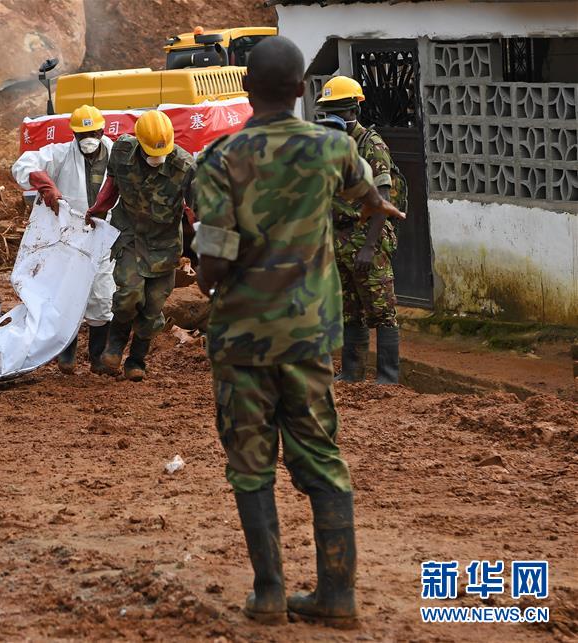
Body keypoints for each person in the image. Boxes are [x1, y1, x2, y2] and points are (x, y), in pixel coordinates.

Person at [193, 36, 405, 627]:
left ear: (244, 88)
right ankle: (337, 594)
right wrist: (375, 209)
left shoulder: (221, 159)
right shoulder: (333, 149)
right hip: (310, 338)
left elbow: (212, 262)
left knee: (251, 464)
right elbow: (370, 194)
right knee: (321, 458)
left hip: (241, 340)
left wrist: (208, 272)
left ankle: (268, 592)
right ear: (299, 90)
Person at [85, 110, 194, 381]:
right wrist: (99, 208)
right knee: (128, 295)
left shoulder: (185, 167)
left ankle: (136, 360)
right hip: (131, 235)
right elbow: (112, 183)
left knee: (153, 306)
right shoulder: (122, 151)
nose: (157, 157)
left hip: (165, 244)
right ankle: (114, 346)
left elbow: (199, 209)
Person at [12, 105, 115, 374]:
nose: (88, 139)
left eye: (92, 133)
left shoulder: (117, 154)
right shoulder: (61, 154)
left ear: (102, 131)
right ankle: (65, 355)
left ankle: (98, 358)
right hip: (70, 238)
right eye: (82, 134)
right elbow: (22, 165)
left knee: (102, 297)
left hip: (104, 235)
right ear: (74, 135)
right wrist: (45, 184)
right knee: (67, 296)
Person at [317, 77, 404, 384]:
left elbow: (382, 199)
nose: (332, 114)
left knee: (381, 309)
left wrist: (369, 246)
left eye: (338, 107)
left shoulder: (371, 145)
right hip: (338, 238)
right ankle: (353, 373)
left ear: (355, 107)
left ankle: (388, 379)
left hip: (367, 236)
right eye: (327, 108)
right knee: (350, 310)